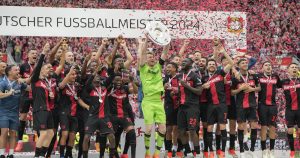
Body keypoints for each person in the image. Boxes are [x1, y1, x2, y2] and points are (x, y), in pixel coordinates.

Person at [138, 35, 169, 158]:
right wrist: (145, 41)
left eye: (153, 57)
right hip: (148, 102)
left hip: (159, 102)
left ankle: (156, 154)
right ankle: (147, 152)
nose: (152, 59)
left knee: (163, 129)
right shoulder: (143, 68)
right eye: (149, 57)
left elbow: (165, 52)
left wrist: (167, 41)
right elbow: (143, 55)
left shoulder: (158, 66)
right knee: (149, 129)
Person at [202, 44, 234, 158]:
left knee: (222, 127)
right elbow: (198, 90)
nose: (211, 65)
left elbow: (231, 63)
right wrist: (203, 87)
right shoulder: (204, 78)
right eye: (209, 64)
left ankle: (222, 152)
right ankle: (211, 151)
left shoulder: (220, 73)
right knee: (209, 128)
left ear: (216, 66)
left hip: (221, 105)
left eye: (213, 64)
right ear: (206, 67)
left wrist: (223, 52)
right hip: (210, 105)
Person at [82, 65, 115, 158]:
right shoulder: (90, 89)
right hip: (92, 117)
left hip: (104, 117)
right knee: (86, 138)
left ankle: (111, 156)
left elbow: (112, 76)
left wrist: (109, 65)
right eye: (95, 77)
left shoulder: (104, 87)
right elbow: (87, 83)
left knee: (112, 137)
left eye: (98, 77)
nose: (97, 77)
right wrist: (94, 72)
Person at [231, 59, 261, 158]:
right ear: (238, 66)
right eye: (242, 63)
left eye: (246, 63)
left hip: (252, 105)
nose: (245, 64)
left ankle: (252, 149)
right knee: (240, 127)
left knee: (254, 126)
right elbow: (232, 92)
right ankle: (241, 150)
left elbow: (259, 88)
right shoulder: (235, 77)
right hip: (240, 106)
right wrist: (240, 89)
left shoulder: (253, 75)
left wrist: (252, 89)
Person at [31, 43, 55, 158]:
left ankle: (41, 155)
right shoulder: (35, 80)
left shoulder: (45, 82)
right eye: (46, 68)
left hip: (48, 109)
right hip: (40, 110)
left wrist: (50, 96)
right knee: (44, 133)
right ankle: (36, 156)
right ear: (40, 70)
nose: (48, 70)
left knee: (51, 133)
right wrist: (43, 53)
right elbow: (39, 66)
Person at [0, 65, 29, 158]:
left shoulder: (19, 82)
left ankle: (11, 154)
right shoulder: (3, 82)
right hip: (3, 111)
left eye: (18, 70)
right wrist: (8, 93)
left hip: (15, 113)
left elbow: (30, 88)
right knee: (4, 132)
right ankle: (1, 154)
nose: (18, 71)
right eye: (16, 70)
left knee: (13, 133)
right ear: (9, 72)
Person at [108, 72, 138, 158]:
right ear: (113, 81)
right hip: (113, 117)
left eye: (120, 80)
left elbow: (135, 91)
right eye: (116, 80)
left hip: (125, 116)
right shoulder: (109, 89)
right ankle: (114, 155)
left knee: (132, 134)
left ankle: (132, 156)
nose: (118, 82)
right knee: (114, 137)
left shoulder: (125, 88)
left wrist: (132, 81)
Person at [177, 58, 202, 157]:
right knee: (181, 131)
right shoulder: (179, 76)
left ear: (191, 64)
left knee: (192, 130)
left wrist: (186, 85)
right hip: (181, 107)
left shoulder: (195, 76)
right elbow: (180, 90)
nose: (182, 63)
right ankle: (187, 152)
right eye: (182, 62)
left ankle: (197, 152)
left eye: (185, 61)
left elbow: (199, 91)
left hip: (192, 107)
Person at [256, 61, 282, 158]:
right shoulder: (258, 76)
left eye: (269, 65)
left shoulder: (276, 77)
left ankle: (271, 150)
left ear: (272, 67)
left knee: (272, 127)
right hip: (262, 105)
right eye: (266, 65)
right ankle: (264, 150)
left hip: (273, 106)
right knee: (263, 127)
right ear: (262, 68)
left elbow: (281, 85)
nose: (268, 67)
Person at [16, 49, 38, 151]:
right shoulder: (23, 66)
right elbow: (18, 79)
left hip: (37, 95)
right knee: (23, 117)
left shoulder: (39, 66)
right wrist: (26, 81)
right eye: (32, 53)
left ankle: (38, 139)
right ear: (28, 55)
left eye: (36, 54)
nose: (35, 55)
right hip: (25, 95)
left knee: (38, 116)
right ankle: (19, 141)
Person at [58, 66, 80, 158]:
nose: (74, 76)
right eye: (72, 74)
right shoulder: (64, 85)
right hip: (64, 113)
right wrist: (68, 73)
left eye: (75, 74)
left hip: (74, 115)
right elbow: (61, 86)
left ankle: (68, 154)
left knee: (72, 136)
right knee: (65, 134)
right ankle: (62, 155)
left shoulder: (78, 86)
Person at [282, 63, 300, 158]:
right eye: (292, 67)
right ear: (288, 70)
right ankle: (292, 151)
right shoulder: (283, 82)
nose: (294, 68)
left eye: (296, 67)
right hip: (289, 110)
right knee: (290, 131)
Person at [163, 62, 180, 158]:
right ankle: (168, 150)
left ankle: (175, 147)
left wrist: (174, 89)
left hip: (178, 106)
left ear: (174, 68)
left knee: (176, 128)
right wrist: (163, 87)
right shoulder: (165, 79)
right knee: (168, 128)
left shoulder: (180, 78)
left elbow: (182, 89)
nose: (167, 69)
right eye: (166, 67)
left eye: (169, 67)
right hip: (168, 106)